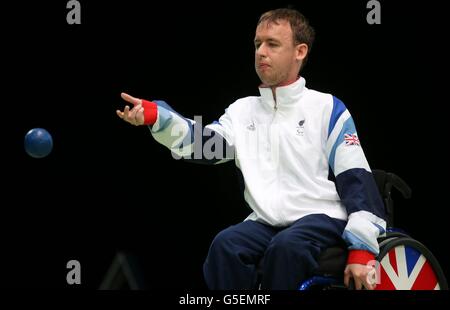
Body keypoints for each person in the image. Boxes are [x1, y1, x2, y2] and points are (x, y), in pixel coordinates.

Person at [116, 8, 386, 290]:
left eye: (272, 44)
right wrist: (157, 116)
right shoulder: (241, 111)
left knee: (286, 247)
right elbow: (201, 144)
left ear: (300, 51)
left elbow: (357, 179)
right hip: (266, 222)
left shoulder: (328, 108)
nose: (261, 52)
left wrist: (361, 247)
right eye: (257, 44)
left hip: (321, 217)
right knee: (226, 245)